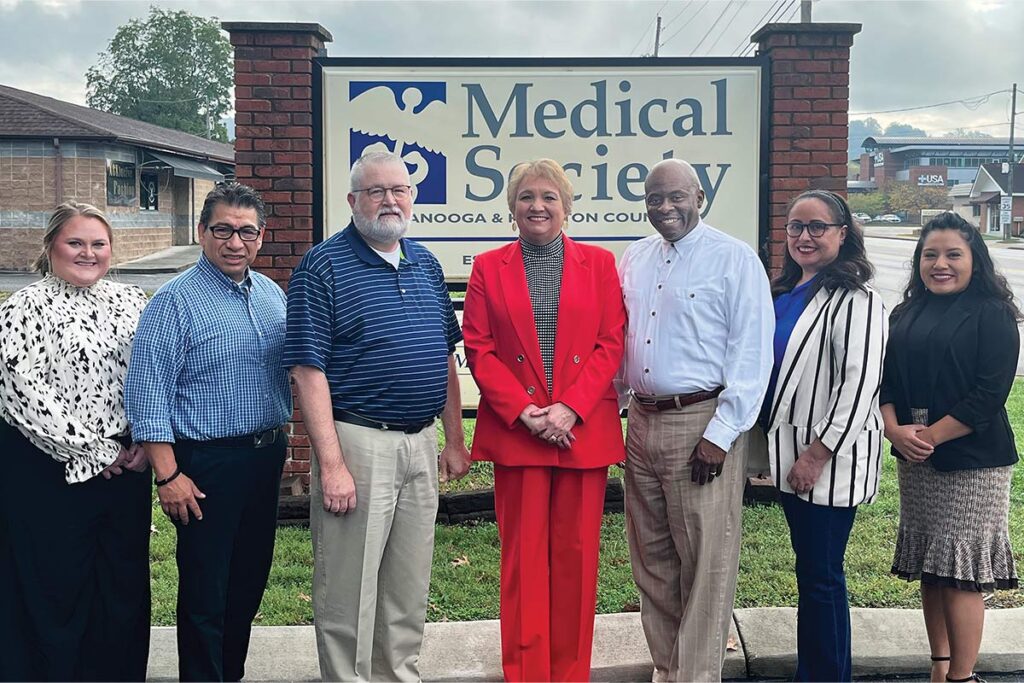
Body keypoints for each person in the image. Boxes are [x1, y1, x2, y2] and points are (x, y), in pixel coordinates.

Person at [284, 150, 470, 682]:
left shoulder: (425, 263)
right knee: (348, 589)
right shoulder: (322, 266)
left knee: (408, 586)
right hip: (358, 441)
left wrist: (454, 440)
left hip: (420, 442)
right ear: (352, 201)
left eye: (399, 190)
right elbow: (307, 370)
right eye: (376, 191)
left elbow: (444, 356)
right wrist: (333, 464)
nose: (390, 200)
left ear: (411, 197)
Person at [462, 159, 627, 681]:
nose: (537, 206)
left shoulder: (600, 264)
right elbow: (480, 347)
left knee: (577, 565)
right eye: (527, 196)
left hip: (582, 431)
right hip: (520, 432)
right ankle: (526, 673)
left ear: (567, 205)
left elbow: (610, 341)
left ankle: (569, 672)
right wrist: (526, 412)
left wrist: (570, 407)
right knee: (523, 565)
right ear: (511, 207)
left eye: (548, 197)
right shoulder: (489, 267)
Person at [125, 182, 291, 682]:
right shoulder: (174, 301)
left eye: (246, 232)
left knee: (247, 582)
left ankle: (230, 674)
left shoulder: (270, 296)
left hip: (264, 459)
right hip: (203, 466)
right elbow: (147, 395)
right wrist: (167, 475)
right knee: (205, 590)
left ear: (261, 237)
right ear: (202, 232)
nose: (234, 242)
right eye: (223, 230)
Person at [618, 158, 773, 682]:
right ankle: (668, 669)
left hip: (701, 424)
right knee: (652, 559)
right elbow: (622, 341)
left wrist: (722, 436)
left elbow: (751, 354)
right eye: (654, 199)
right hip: (640, 421)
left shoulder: (733, 259)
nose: (664, 208)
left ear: (700, 197)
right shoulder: (635, 258)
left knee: (705, 563)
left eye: (675, 197)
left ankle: (696, 676)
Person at [0, 201, 150, 681]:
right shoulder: (22, 307)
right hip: (48, 469)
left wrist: (148, 439)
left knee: (121, 583)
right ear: (50, 247)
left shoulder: (133, 301)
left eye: (98, 244)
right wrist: (93, 450)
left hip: (127, 467)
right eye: (75, 242)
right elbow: (19, 389)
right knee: (54, 585)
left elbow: (156, 375)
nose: (88, 253)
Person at [881, 212, 1020, 683]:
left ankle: (962, 677)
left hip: (971, 455)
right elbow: (886, 383)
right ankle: (939, 666)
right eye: (930, 255)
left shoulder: (994, 313)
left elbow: (989, 394)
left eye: (953, 254)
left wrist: (929, 436)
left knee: (960, 571)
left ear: (974, 260)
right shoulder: (905, 312)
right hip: (913, 450)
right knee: (932, 563)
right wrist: (892, 429)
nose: (940, 264)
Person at [758, 190, 887, 681]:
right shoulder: (785, 292)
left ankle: (827, 676)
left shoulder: (855, 299)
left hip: (825, 466)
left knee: (822, 579)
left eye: (817, 227)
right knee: (811, 575)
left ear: (843, 233)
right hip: (788, 457)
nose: (804, 236)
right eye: (795, 227)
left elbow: (859, 387)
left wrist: (816, 456)